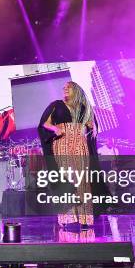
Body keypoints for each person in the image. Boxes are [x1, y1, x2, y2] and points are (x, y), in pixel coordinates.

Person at [38, 81, 100, 229]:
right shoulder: (56, 105)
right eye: (64, 88)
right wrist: (54, 128)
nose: (65, 89)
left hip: (80, 143)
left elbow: (93, 127)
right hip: (62, 143)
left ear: (77, 90)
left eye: (69, 87)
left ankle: (85, 218)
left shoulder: (84, 108)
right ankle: (68, 218)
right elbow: (44, 124)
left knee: (82, 180)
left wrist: (90, 126)